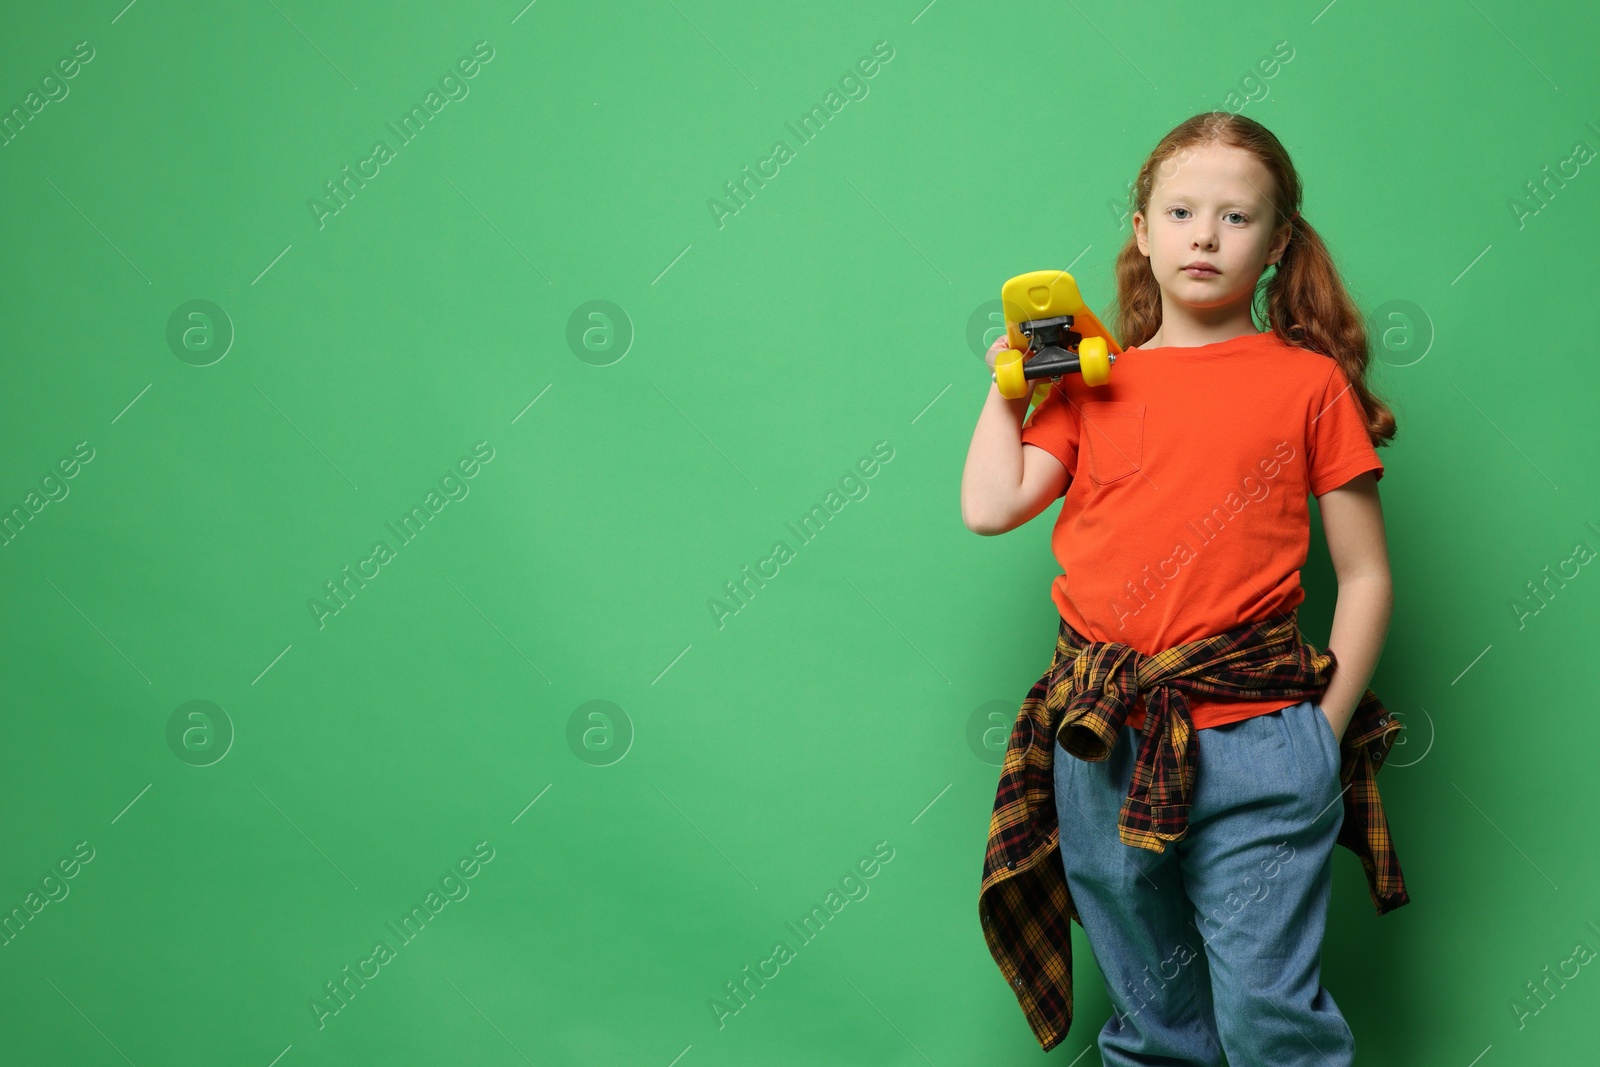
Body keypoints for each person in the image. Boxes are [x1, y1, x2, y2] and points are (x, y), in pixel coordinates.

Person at [961, 111, 1400, 1064]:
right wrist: (1008, 395)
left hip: (1261, 743)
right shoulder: (1092, 386)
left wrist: (1321, 733)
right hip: (1103, 742)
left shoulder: (1309, 384)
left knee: (1268, 1018)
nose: (1204, 236)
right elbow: (992, 506)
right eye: (1182, 211)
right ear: (1142, 229)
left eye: (1236, 218)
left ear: (1278, 243)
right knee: (1154, 1027)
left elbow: (1365, 574)